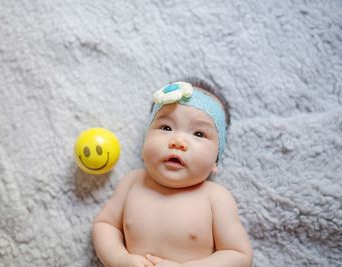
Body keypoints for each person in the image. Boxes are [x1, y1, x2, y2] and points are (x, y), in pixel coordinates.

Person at [92, 78, 253, 267]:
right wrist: (119, 259)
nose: (178, 141)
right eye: (166, 128)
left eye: (199, 134)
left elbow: (239, 255)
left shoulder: (215, 198)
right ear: (144, 142)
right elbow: (104, 226)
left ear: (215, 160)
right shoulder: (132, 182)